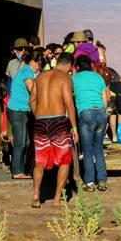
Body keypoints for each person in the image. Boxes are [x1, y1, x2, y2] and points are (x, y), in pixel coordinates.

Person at [29, 52, 78, 207]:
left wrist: (39, 115)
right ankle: (57, 198)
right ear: (69, 65)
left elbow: (32, 100)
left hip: (40, 122)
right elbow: (69, 104)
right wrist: (74, 127)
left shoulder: (40, 77)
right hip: (59, 121)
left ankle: (37, 193)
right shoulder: (65, 78)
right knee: (64, 160)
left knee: (40, 160)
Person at [72, 54, 111, 192]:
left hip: (86, 113)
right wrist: (103, 113)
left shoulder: (74, 79)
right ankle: (102, 181)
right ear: (90, 65)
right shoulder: (98, 77)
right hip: (101, 112)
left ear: (77, 67)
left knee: (87, 150)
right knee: (99, 149)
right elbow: (105, 98)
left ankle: (89, 182)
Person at [7, 48, 43, 179]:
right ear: (33, 61)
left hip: (21, 110)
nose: (40, 66)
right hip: (18, 110)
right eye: (39, 63)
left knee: (26, 141)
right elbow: (32, 89)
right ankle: (17, 171)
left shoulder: (24, 70)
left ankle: (22, 169)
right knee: (21, 141)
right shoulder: (27, 71)